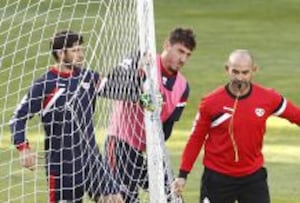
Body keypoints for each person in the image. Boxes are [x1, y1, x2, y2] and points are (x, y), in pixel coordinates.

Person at [172, 49, 300, 203]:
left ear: (254, 70)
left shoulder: (268, 98)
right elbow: (196, 138)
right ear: (227, 70)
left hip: (252, 178)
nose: (240, 78)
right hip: (217, 179)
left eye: (245, 72)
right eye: (235, 72)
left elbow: (298, 117)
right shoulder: (210, 103)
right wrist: (183, 175)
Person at [9, 30, 128, 203]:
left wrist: (143, 91)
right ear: (60, 53)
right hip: (62, 165)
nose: (81, 55)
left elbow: (118, 90)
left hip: (91, 159)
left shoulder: (89, 77)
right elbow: (17, 118)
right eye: (75, 50)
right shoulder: (45, 84)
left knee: (115, 200)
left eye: (81, 49)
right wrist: (23, 148)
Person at [105, 27, 196, 202]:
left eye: (188, 54)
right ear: (167, 45)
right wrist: (140, 91)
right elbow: (109, 87)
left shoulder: (183, 87)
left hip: (150, 150)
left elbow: (167, 129)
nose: (183, 59)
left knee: (173, 197)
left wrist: (155, 114)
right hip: (120, 144)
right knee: (124, 199)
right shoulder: (142, 61)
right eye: (180, 51)